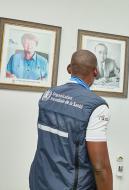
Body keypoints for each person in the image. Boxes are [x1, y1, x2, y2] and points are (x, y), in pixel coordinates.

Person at [29, 50, 113, 190]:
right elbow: (100, 167)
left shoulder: (47, 96)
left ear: (69, 68)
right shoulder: (97, 106)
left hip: (39, 181)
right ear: (96, 72)